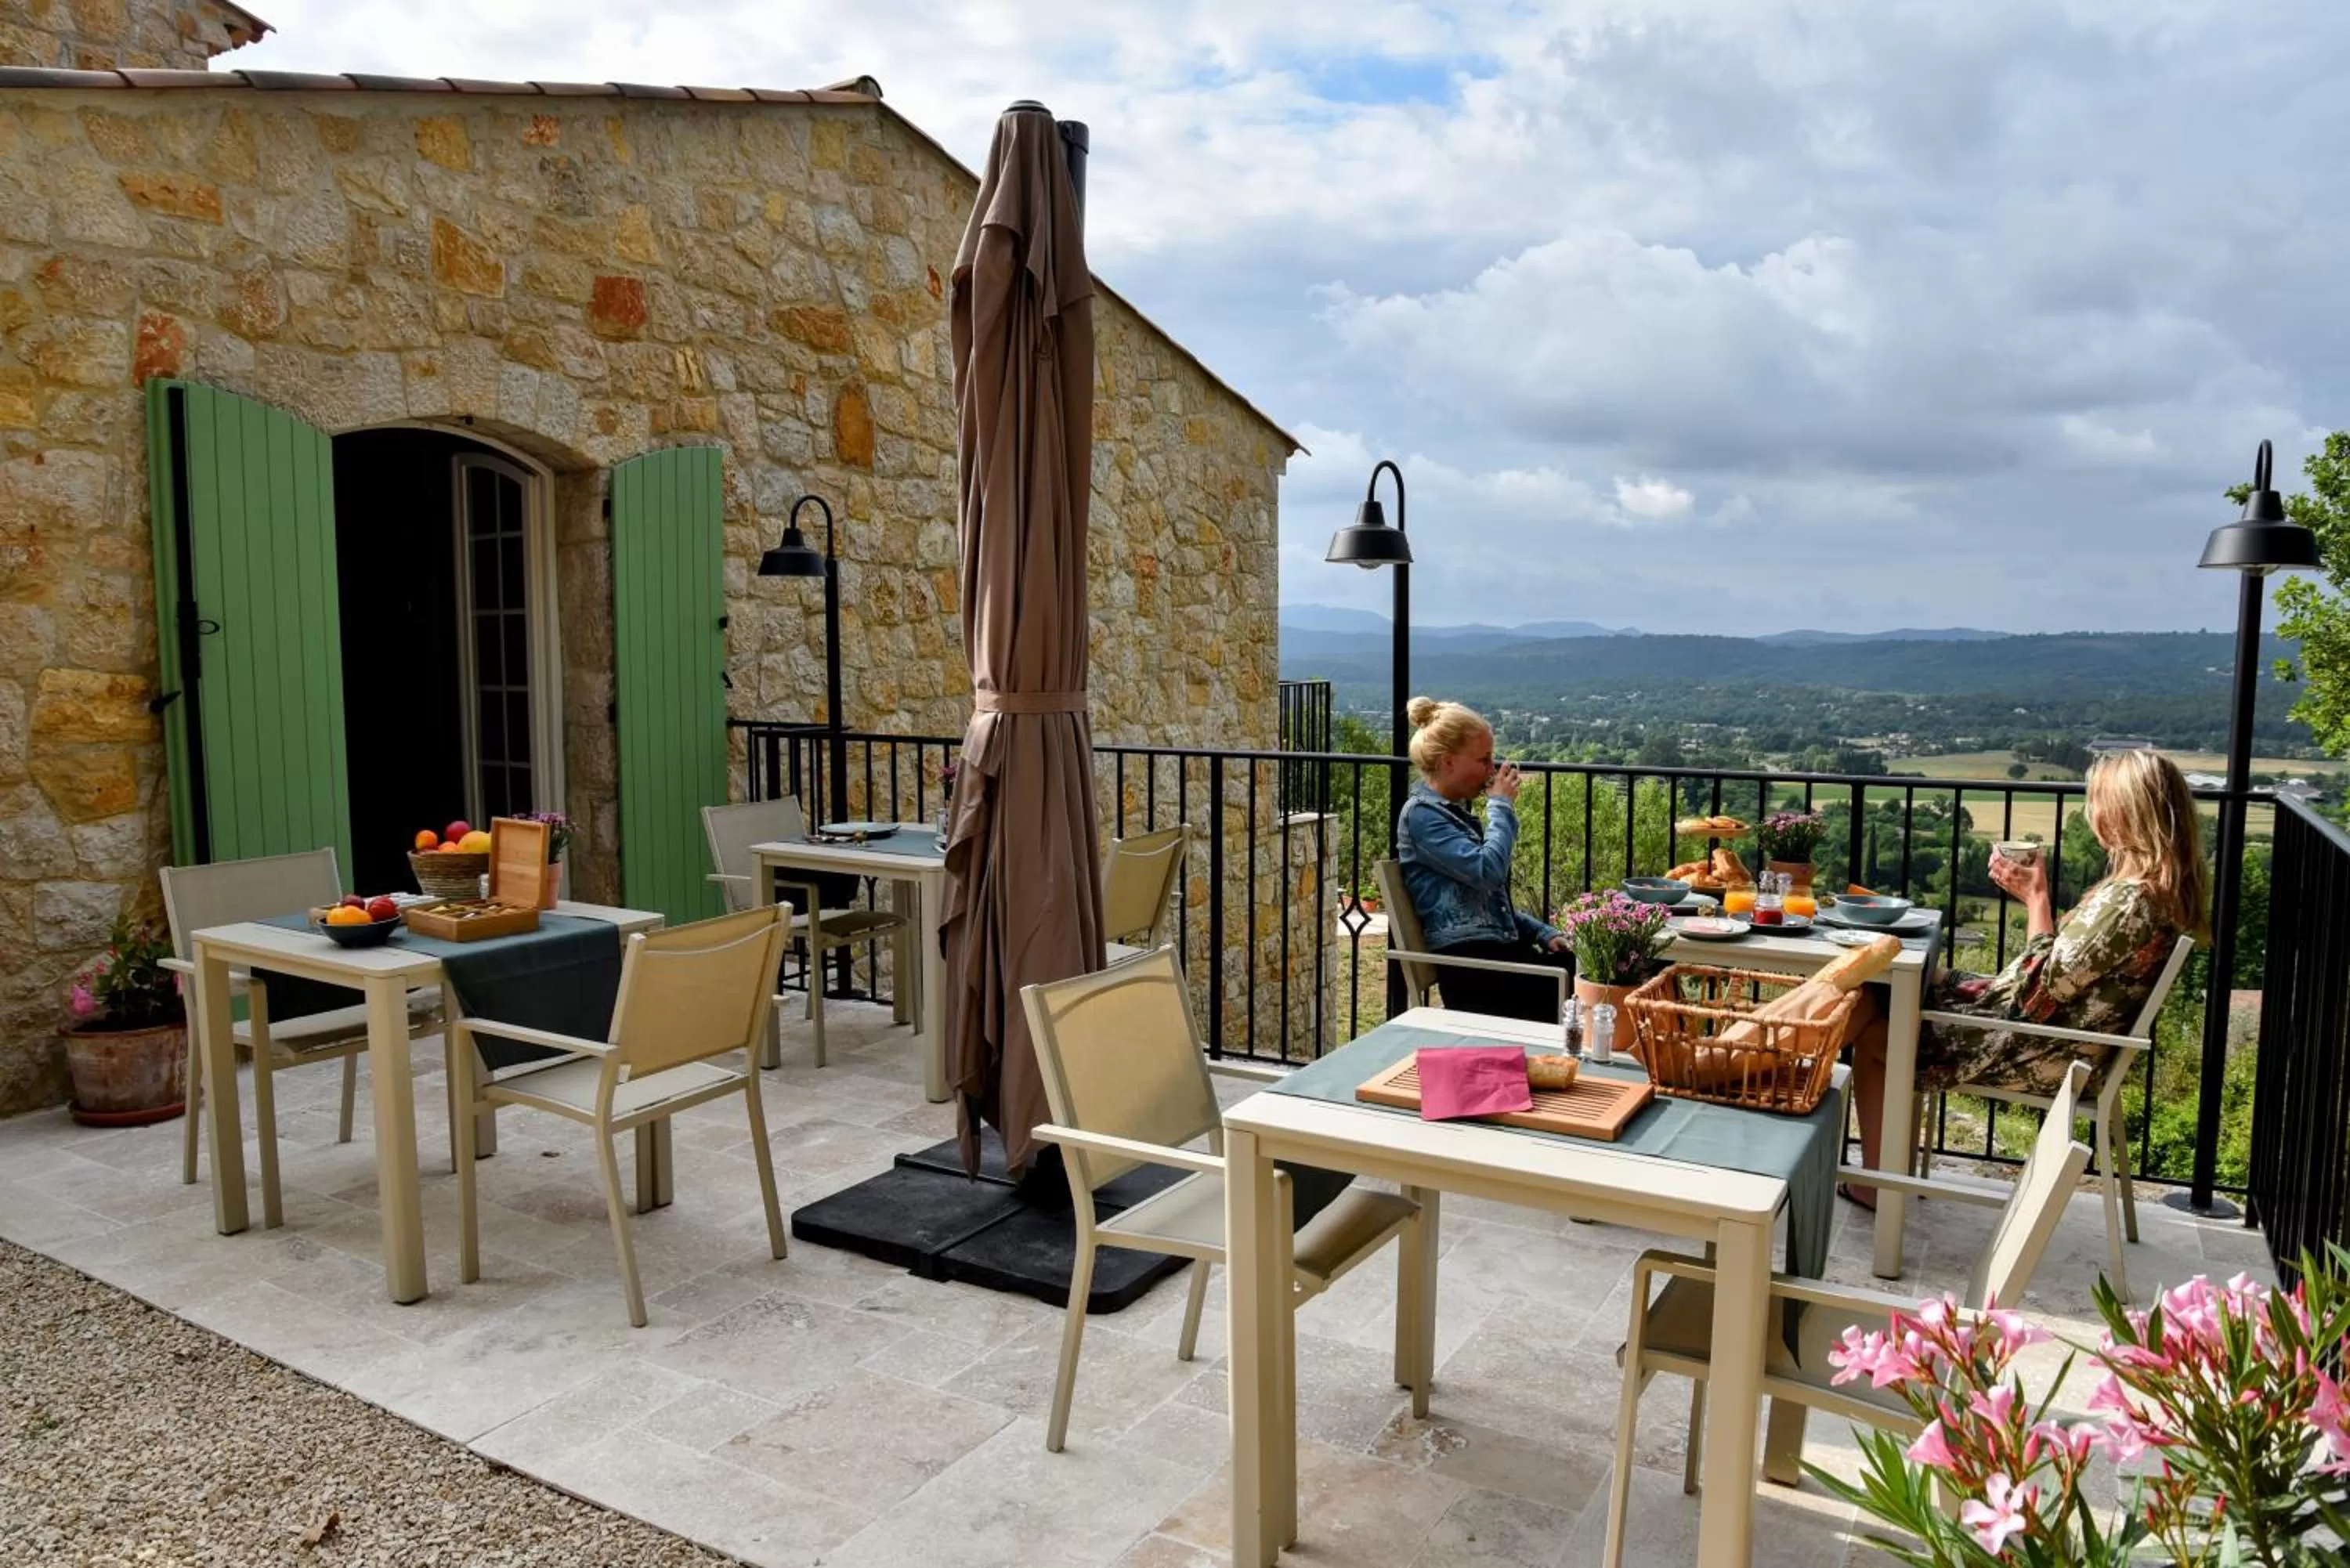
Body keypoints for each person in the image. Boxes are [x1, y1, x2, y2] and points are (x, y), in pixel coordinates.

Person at [1842, 749, 2209, 1208]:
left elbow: (2042, 989)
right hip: (2046, 1034)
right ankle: (1780, 1087)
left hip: (2035, 1045)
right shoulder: (2153, 894)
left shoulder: (2128, 903)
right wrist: (1951, 977)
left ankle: (1871, 1179)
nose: (2090, 811)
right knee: (1881, 988)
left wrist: (2037, 900)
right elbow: (2050, 981)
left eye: (2097, 800)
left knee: (1877, 1037)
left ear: (2120, 814)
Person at [1394, 695, 1574, 1022]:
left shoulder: (1451, 814)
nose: (1491, 769)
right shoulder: (1422, 816)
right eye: (1484, 760)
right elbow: (1487, 872)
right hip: (1474, 972)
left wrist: (1541, 932)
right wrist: (1501, 807)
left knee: (1603, 966)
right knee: (1600, 984)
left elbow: (1485, 903)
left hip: (1494, 958)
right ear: (1448, 762)